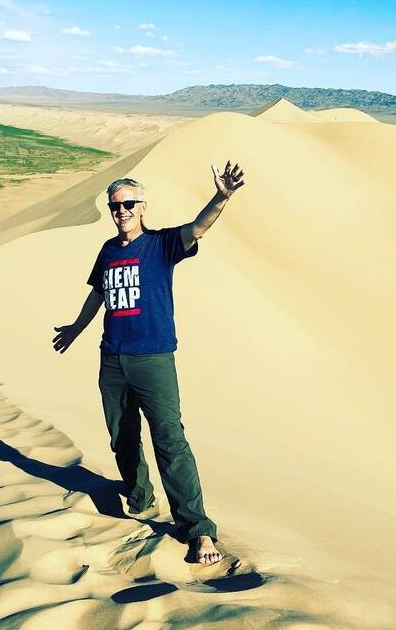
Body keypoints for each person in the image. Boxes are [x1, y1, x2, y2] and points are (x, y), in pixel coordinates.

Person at [53, 161, 246, 566]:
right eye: (114, 206)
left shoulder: (161, 245)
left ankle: (198, 531)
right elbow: (99, 294)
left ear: (143, 207)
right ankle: (139, 495)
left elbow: (198, 228)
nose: (121, 212)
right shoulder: (107, 250)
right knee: (122, 437)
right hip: (112, 359)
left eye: (128, 204)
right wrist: (76, 327)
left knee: (170, 442)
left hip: (153, 359)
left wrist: (221, 197)